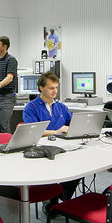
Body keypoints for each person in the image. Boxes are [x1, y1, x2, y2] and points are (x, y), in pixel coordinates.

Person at [21, 71, 81, 200]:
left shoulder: (61, 107)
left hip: (63, 147)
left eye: (56, 88)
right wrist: (57, 131)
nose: (54, 91)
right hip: (42, 149)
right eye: (51, 88)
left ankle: (62, 198)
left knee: (80, 169)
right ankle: (52, 201)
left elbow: (72, 125)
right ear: (41, 88)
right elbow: (33, 131)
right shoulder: (31, 108)